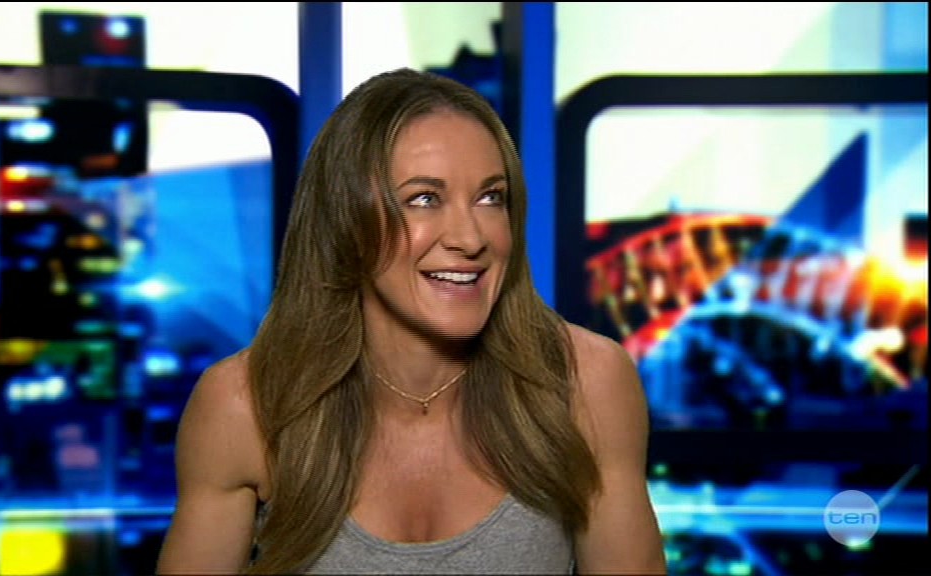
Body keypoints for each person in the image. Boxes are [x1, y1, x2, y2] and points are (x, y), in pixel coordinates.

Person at [156, 67, 667, 575]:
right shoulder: (245, 406)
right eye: (424, 199)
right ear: (346, 219)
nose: (470, 238)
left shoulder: (586, 383)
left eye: (490, 197)